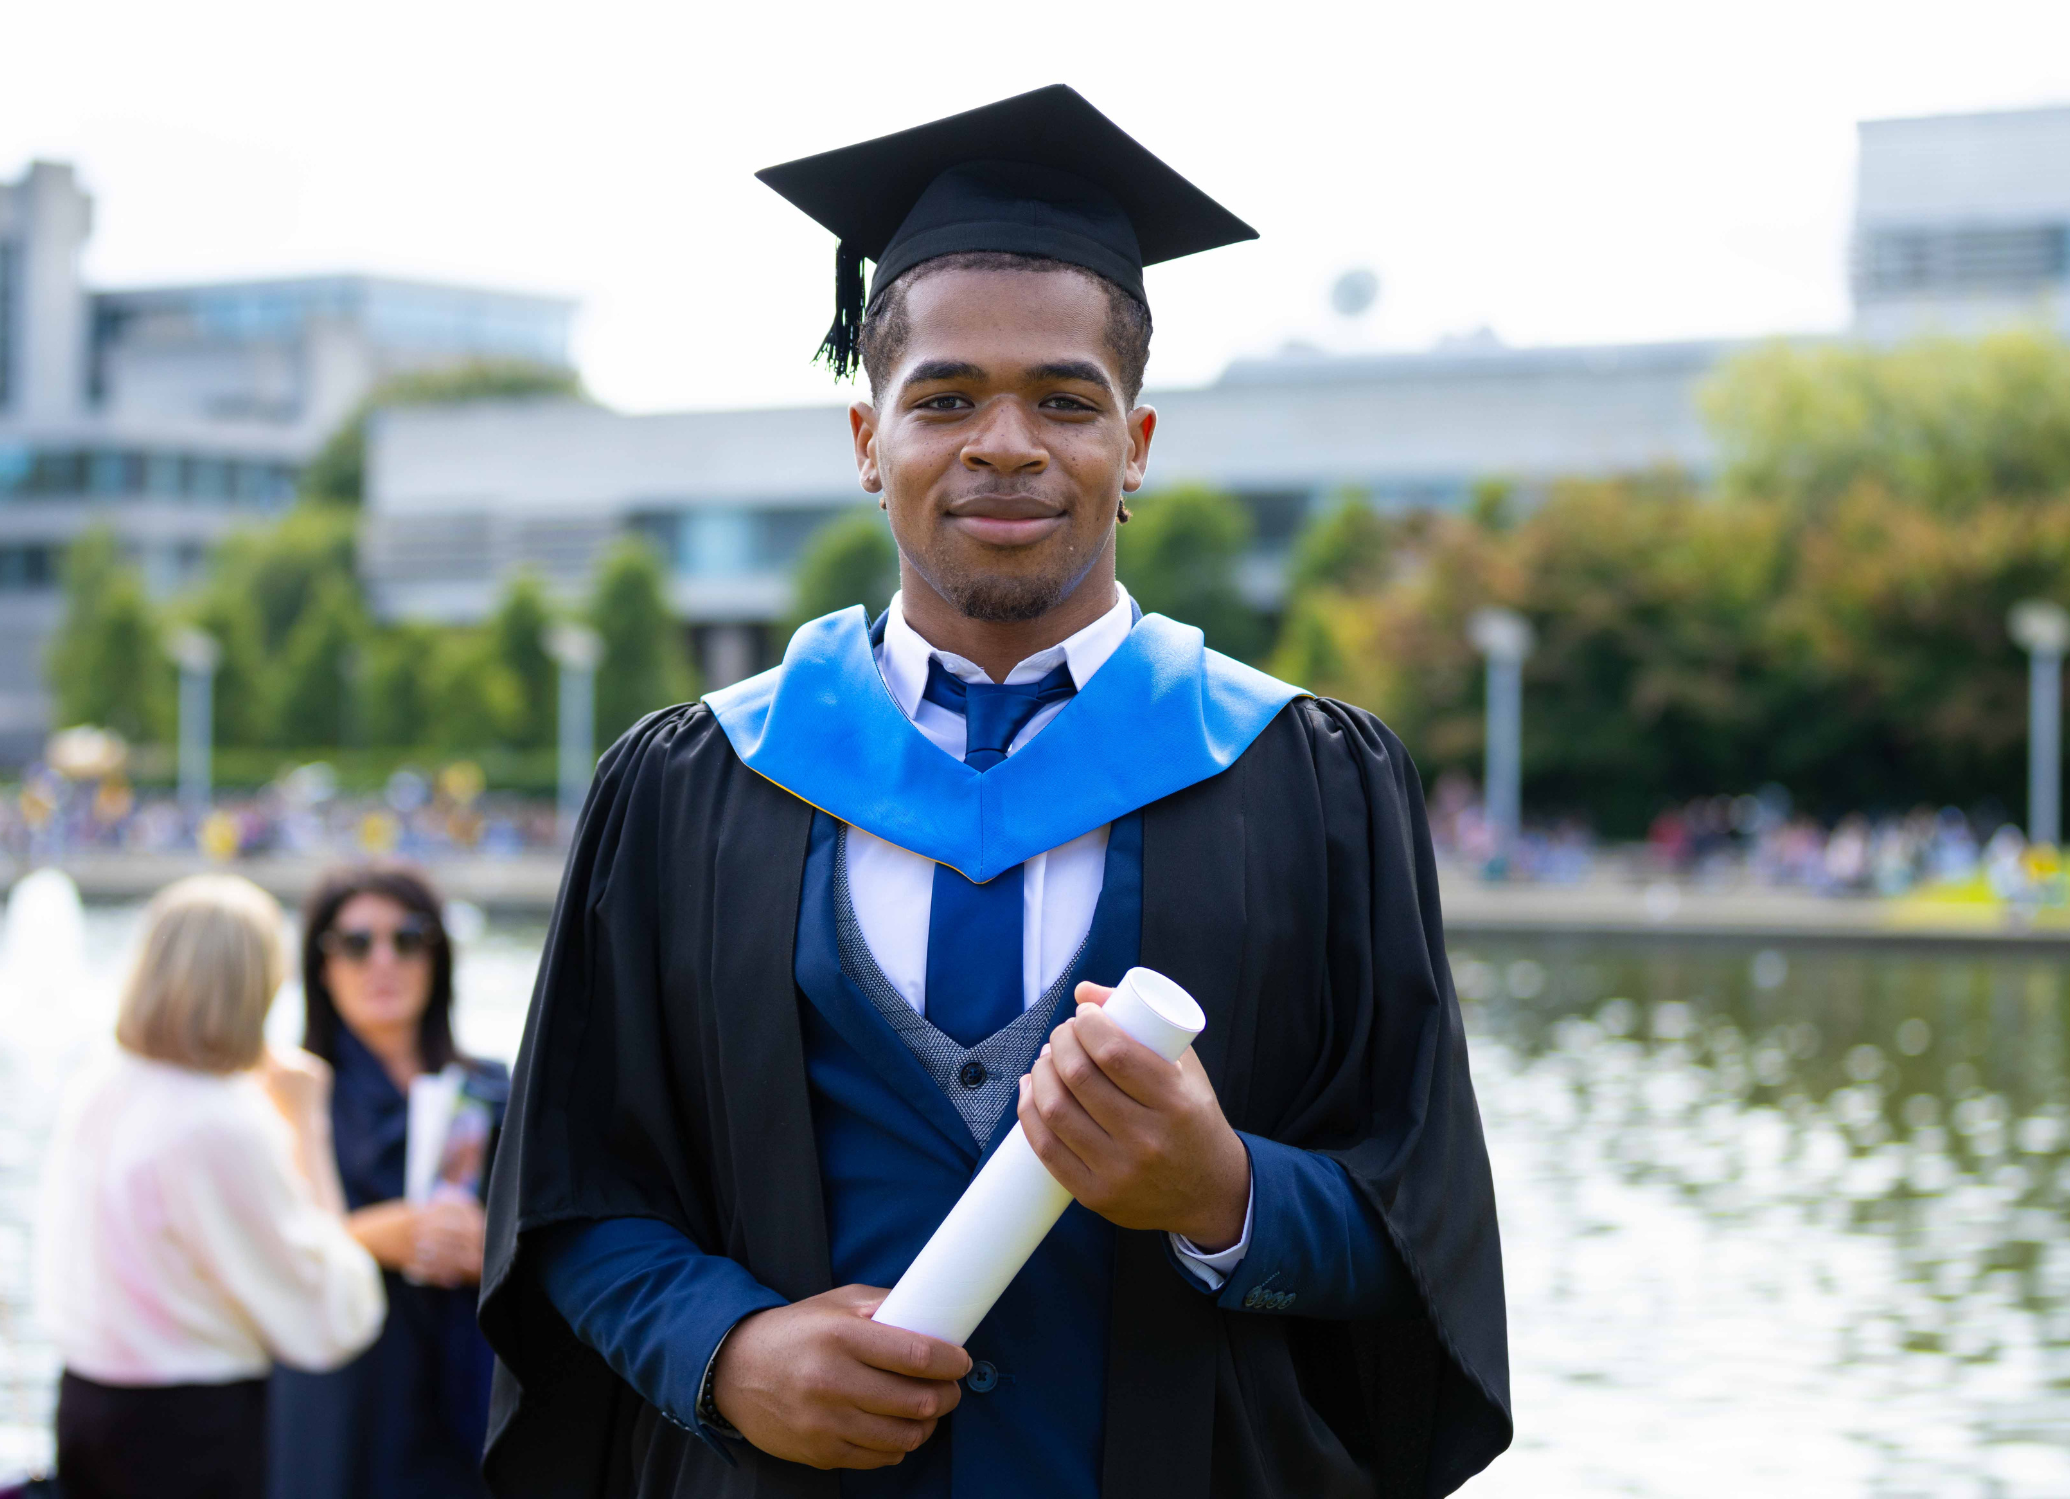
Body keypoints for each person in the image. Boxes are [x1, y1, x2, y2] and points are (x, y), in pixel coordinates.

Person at [480, 85, 1511, 1498]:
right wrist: (723, 1352)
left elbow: (1425, 1220)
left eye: (1064, 401)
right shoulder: (690, 787)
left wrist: (1221, 1196)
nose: (1007, 443)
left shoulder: (1309, 782)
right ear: (867, 443)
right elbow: (569, 1199)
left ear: (1134, 448)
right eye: (946, 397)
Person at [36, 874, 384, 1499]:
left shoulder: (103, 1083)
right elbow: (330, 1314)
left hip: (85, 1400)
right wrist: (307, 1124)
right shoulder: (224, 1121)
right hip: (188, 1429)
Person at [267, 864, 509, 1499]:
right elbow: (254, 1252)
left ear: (438, 957)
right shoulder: (290, 1095)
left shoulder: (492, 1091)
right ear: (321, 966)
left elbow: (561, 1242)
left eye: (406, 939)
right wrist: (377, 1237)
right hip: (343, 1399)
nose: (383, 962)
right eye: (354, 943)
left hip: (469, 1386)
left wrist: (495, 1246)